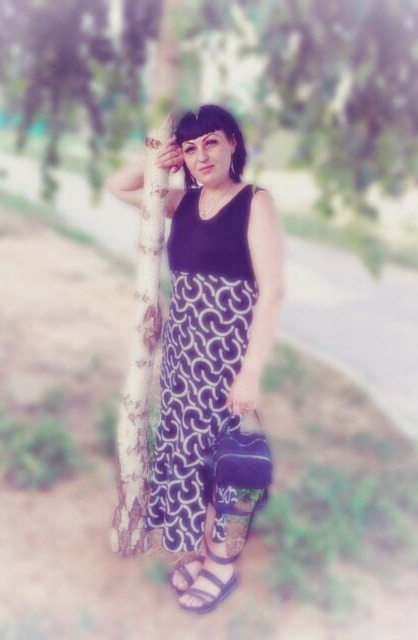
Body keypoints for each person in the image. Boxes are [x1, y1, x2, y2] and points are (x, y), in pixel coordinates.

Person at [106, 104, 285, 613]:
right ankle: (198, 551)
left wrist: (251, 371)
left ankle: (221, 565)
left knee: (230, 465)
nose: (201, 156)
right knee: (185, 456)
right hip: (182, 358)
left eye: (210, 142)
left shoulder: (254, 202)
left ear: (232, 143)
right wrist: (156, 159)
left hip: (227, 358)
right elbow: (119, 187)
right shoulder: (181, 202)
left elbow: (272, 291)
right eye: (190, 148)